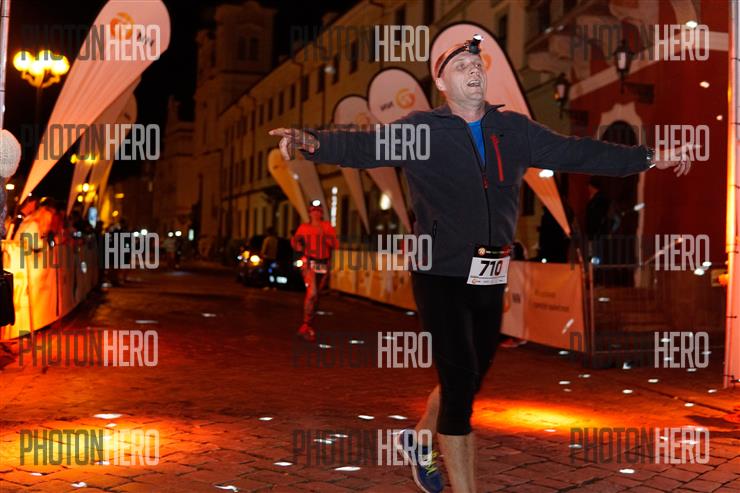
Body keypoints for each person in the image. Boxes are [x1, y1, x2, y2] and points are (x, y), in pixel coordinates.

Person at [270, 34, 690, 493]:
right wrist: (313, 142)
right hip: (438, 274)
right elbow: (364, 147)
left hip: (488, 275)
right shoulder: (422, 131)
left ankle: (419, 438)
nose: (473, 68)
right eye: (460, 65)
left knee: (466, 377)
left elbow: (580, 152)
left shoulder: (515, 130)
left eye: (477, 62)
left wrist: (648, 157)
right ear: (441, 83)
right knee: (459, 393)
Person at [291, 202, 338, 342]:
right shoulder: (304, 227)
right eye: (313, 210)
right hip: (309, 262)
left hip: (323, 264)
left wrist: (325, 236)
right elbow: (295, 243)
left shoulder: (327, 226)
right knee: (312, 293)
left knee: (316, 297)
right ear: (310, 213)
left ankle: (307, 325)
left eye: (319, 210)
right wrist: (298, 246)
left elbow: (335, 244)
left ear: (322, 213)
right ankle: (305, 324)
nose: (316, 213)